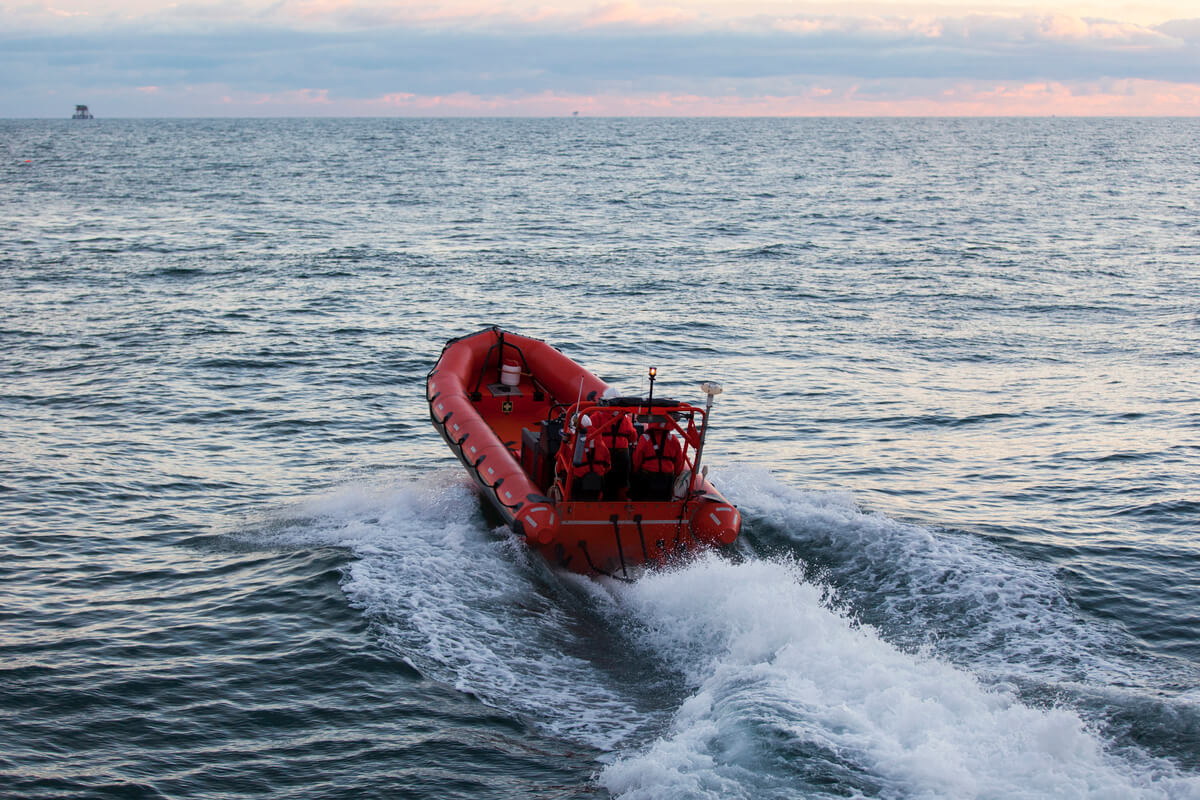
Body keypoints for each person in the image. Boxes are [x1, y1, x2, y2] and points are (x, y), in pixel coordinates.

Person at [590, 408, 637, 500]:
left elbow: (589, 432)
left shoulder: (596, 416)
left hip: (604, 451)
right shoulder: (625, 417)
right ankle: (622, 499)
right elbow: (633, 436)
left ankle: (602, 499)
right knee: (622, 479)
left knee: (604, 477)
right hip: (622, 452)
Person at [631, 424, 684, 501]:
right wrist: (676, 474)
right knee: (666, 499)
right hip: (667, 477)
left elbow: (637, 460)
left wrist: (635, 472)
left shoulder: (644, 438)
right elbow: (679, 461)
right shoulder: (674, 439)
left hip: (649, 476)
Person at [570, 415, 611, 501]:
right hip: (598, 479)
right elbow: (608, 463)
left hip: (579, 480)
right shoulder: (600, 441)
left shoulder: (574, 442)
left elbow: (566, 462)